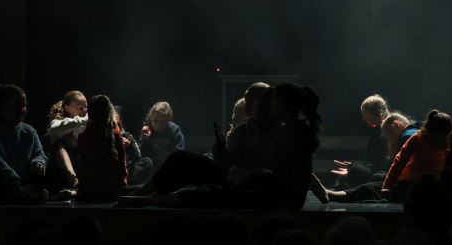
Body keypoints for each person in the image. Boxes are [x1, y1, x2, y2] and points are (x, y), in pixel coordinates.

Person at [118, 83, 321, 210]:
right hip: (238, 177)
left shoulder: (289, 134)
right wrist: (221, 147)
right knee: (182, 160)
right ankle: (140, 195)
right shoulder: (250, 129)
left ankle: (147, 201)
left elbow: (292, 177)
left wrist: (257, 176)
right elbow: (229, 161)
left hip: (255, 188)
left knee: (210, 194)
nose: (249, 107)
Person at [0, 84, 49, 204]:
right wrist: (11, 177)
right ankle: (22, 195)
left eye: (24, 106)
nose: (21, 110)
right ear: (2, 106)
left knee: (57, 173)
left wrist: (38, 162)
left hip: (24, 179)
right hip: (2, 179)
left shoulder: (29, 131)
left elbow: (39, 153)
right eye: (16, 106)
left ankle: (22, 194)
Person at [380, 110, 452, 203]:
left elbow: (449, 167)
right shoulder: (417, 138)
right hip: (411, 182)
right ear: (429, 131)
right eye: (437, 137)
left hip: (435, 183)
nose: (439, 140)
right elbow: (399, 162)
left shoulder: (448, 143)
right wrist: (387, 187)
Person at [75, 95, 128, 202]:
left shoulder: (83, 136)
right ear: (108, 113)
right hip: (111, 191)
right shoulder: (115, 137)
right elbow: (121, 170)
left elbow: (83, 167)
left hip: (89, 191)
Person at [332, 95, 392, 188]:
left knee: (354, 170)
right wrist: (351, 166)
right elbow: (369, 160)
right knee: (347, 173)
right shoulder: (376, 130)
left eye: (367, 118)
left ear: (379, 116)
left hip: (382, 174)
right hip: (375, 170)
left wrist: (353, 167)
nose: (365, 120)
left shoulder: (386, 132)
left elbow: (380, 164)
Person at [44, 91, 88, 198]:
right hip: (59, 169)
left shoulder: (85, 123)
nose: (84, 110)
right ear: (67, 108)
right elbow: (55, 129)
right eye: (80, 107)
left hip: (78, 163)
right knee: (60, 144)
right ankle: (72, 177)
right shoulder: (58, 122)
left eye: (86, 106)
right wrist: (87, 120)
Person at [140, 101, 185, 171]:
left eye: (162, 122)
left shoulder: (174, 130)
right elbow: (141, 154)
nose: (158, 125)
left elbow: (178, 153)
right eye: (155, 120)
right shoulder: (148, 130)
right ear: (151, 118)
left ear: (168, 120)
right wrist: (145, 139)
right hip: (151, 169)